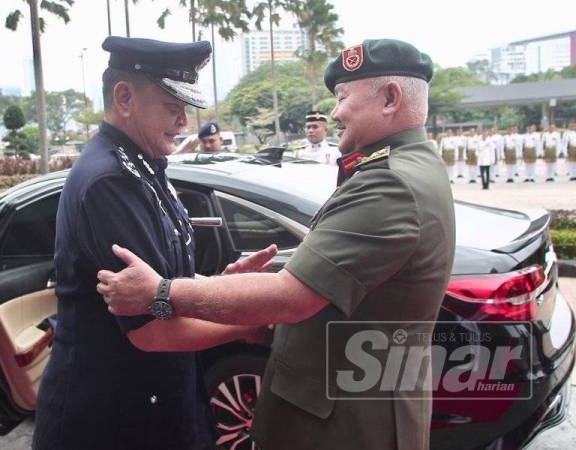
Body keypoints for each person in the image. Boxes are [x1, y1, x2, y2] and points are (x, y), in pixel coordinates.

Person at [98, 39, 455, 450]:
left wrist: (159, 293)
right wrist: (228, 288)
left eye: (342, 97)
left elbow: (292, 297)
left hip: (344, 423)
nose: (335, 112)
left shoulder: (390, 181)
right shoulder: (411, 165)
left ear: (390, 98)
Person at [33, 36, 275, 450]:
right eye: (171, 106)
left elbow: (165, 280)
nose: (183, 122)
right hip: (112, 419)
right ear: (124, 97)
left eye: (184, 109)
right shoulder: (110, 179)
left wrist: (218, 286)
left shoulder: (144, 165)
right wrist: (251, 320)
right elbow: (150, 329)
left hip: (158, 402)